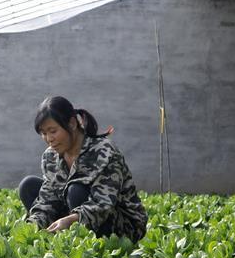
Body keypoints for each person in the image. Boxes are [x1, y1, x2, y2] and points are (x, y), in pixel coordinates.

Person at [18, 96, 148, 242]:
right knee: (28, 186)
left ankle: (86, 245)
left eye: (53, 131)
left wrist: (71, 220)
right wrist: (32, 228)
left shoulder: (104, 151)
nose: (49, 138)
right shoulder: (50, 156)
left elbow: (103, 204)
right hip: (75, 218)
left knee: (76, 191)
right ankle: (57, 239)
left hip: (123, 226)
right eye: (43, 133)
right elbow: (48, 198)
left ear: (72, 124)